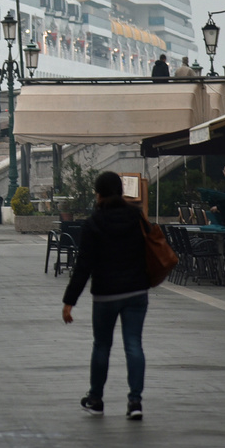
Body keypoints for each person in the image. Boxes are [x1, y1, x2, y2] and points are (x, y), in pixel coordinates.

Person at [62, 171, 150, 420]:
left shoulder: (93, 223)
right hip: (136, 291)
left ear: (98, 193)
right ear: (121, 191)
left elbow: (84, 266)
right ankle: (135, 402)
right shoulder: (136, 217)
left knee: (102, 345)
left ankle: (96, 398)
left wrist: (70, 301)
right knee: (134, 345)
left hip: (106, 295)